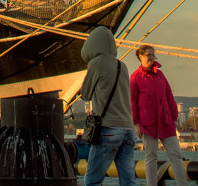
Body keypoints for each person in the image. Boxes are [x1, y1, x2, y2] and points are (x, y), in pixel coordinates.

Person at [80, 26, 135, 186]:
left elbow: (86, 94)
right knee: (128, 181)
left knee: (93, 180)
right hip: (128, 129)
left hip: (108, 129)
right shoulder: (122, 66)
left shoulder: (96, 63)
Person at [129, 46, 188, 186]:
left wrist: (174, 117)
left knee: (176, 155)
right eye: (148, 55)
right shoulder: (135, 77)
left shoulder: (160, 75)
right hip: (148, 123)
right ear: (140, 57)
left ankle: (182, 184)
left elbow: (169, 95)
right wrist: (136, 124)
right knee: (150, 156)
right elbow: (133, 101)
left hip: (165, 121)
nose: (151, 58)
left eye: (152, 55)